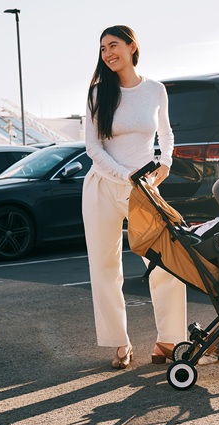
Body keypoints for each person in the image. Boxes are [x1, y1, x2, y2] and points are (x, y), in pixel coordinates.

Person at [82, 25, 187, 369]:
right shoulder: (98, 93)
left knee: (165, 261)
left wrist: (166, 163)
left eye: (113, 45)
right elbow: (93, 147)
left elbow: (166, 134)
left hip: (143, 189)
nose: (108, 53)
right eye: (103, 49)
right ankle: (120, 343)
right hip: (102, 187)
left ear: (131, 47)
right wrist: (123, 174)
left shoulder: (155, 90)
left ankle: (169, 339)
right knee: (104, 267)